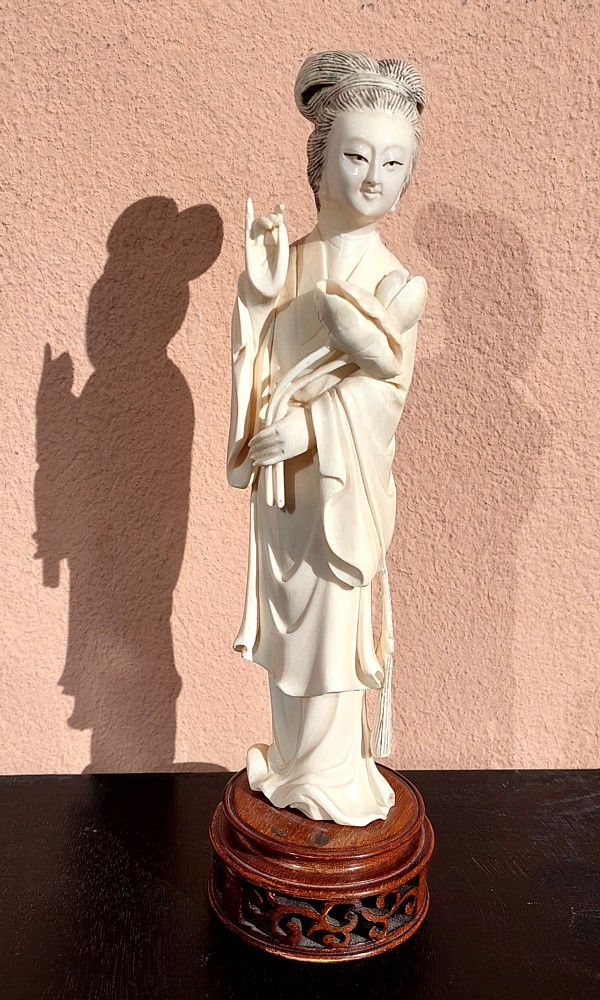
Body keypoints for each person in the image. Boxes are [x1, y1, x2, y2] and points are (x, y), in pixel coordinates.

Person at [227, 50, 427, 826]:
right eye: (356, 156)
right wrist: (255, 296)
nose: (374, 177)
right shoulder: (290, 262)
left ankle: (332, 775)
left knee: (329, 633)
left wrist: (306, 425)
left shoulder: (391, 282)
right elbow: (257, 357)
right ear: (321, 161)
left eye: (393, 163)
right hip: (285, 495)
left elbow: (383, 397)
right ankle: (289, 763)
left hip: (342, 487)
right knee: (288, 635)